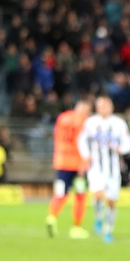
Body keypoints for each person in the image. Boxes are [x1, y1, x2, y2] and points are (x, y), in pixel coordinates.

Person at [78, 96, 130, 243]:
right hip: (96, 168)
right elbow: (82, 140)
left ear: (112, 107)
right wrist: (86, 155)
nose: (104, 108)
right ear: (97, 108)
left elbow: (128, 143)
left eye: (107, 105)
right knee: (98, 194)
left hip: (114, 170)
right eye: (101, 106)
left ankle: (108, 230)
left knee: (111, 201)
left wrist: (121, 149)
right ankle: (98, 216)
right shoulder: (90, 123)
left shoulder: (119, 123)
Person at [46, 98, 92, 239]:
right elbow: (83, 143)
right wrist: (84, 163)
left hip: (61, 162)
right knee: (80, 195)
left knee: (60, 193)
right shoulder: (85, 122)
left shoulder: (62, 118)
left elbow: (56, 136)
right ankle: (76, 228)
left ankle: (51, 218)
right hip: (78, 165)